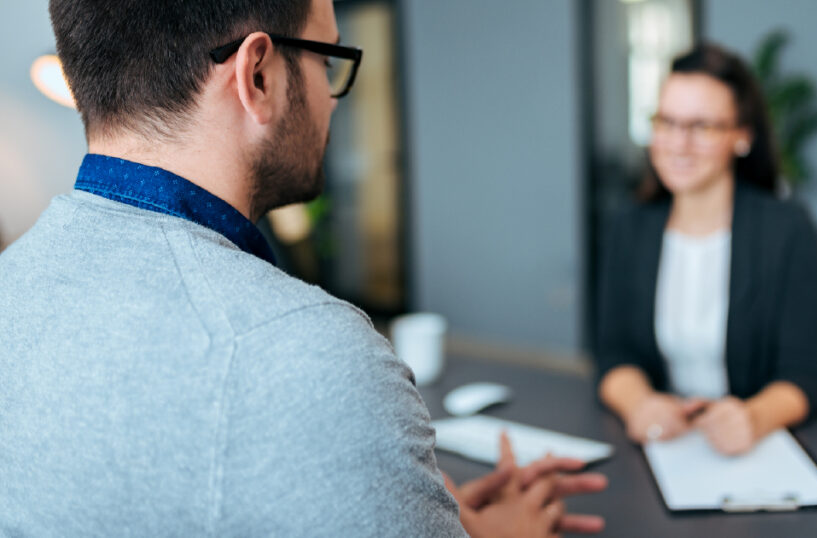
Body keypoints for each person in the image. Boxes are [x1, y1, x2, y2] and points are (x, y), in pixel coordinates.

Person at [0, 1, 605, 536]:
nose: (331, 98)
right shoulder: (312, 353)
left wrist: (401, 503)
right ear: (257, 75)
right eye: (327, 60)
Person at [594, 43, 817, 456]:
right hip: (663, 448)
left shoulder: (787, 229)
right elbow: (613, 354)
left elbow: (804, 374)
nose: (678, 144)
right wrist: (639, 404)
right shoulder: (630, 227)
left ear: (741, 136)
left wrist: (753, 418)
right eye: (666, 122)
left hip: (756, 451)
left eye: (701, 127)